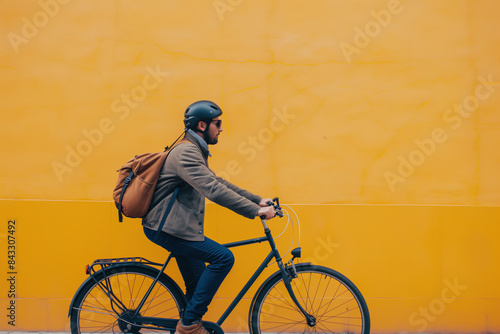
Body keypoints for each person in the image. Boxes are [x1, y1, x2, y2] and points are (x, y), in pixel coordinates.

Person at [142, 100, 277, 334]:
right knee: (223, 258)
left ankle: (188, 320)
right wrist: (254, 211)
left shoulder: (194, 150)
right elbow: (212, 190)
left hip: (180, 229)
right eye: (218, 123)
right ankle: (189, 326)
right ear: (202, 125)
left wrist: (256, 200)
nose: (221, 128)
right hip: (166, 229)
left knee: (196, 287)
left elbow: (218, 182)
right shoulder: (186, 153)